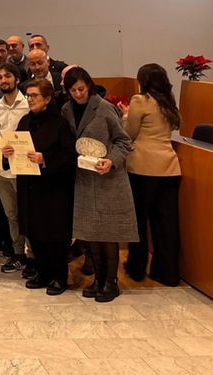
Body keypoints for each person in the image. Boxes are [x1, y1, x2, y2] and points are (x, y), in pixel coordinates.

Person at [61, 67, 137, 303]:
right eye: (73, 90)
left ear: (89, 86)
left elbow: (124, 141)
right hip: (84, 179)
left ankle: (111, 281)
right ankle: (98, 278)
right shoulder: (66, 110)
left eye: (81, 89)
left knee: (108, 233)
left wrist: (111, 161)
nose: (78, 94)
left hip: (107, 179)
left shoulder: (104, 108)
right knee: (91, 232)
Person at [6, 79, 77, 296]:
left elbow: (69, 156)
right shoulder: (25, 121)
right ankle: (43, 272)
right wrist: (8, 154)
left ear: (47, 99)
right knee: (34, 232)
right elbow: (17, 149)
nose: (30, 99)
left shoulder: (60, 123)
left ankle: (59, 277)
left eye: (35, 95)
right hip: (28, 186)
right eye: (28, 95)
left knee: (54, 234)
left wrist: (44, 159)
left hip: (53, 189)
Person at [121, 63, 182, 286]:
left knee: (138, 220)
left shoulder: (140, 100)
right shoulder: (168, 101)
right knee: (166, 223)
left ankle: (137, 268)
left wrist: (125, 115)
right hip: (169, 167)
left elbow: (129, 133)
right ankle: (168, 273)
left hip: (143, 167)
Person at [0, 63, 31, 273]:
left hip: (24, 168)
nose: (3, 80)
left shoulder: (27, 104)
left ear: (17, 79)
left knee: (28, 214)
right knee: (11, 214)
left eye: (8, 76)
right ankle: (18, 254)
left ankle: (33, 256)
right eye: (0, 77)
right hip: (2, 170)